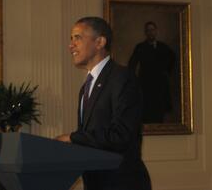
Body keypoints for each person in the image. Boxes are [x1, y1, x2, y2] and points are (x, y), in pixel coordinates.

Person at [56, 17, 152, 190]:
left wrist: (71, 137)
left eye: (77, 37)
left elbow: (121, 135)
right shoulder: (85, 87)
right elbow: (89, 140)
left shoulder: (123, 78)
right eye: (71, 39)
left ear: (99, 42)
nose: (71, 45)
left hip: (122, 183)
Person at [128, 21, 175, 124]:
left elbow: (172, 60)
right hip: (145, 84)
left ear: (156, 31)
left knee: (160, 112)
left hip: (160, 85)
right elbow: (132, 65)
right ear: (145, 32)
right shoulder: (140, 47)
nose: (151, 32)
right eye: (148, 30)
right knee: (146, 112)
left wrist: (166, 72)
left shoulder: (163, 47)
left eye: (152, 30)